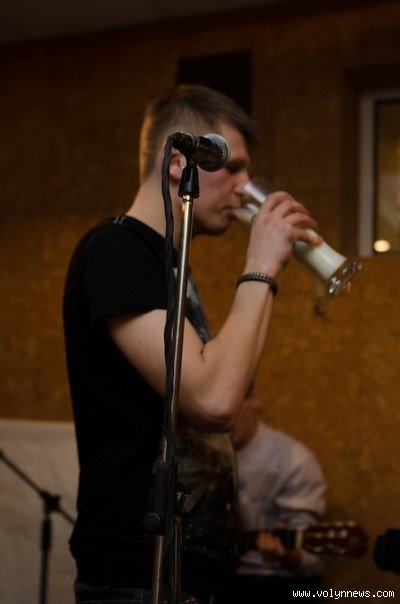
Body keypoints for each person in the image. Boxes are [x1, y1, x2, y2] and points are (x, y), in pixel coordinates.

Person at [63, 84, 321, 604]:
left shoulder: (171, 265)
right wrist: (260, 265)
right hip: (137, 577)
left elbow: (227, 385)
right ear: (179, 161)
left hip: (195, 575)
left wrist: (268, 274)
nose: (246, 190)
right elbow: (214, 401)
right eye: (233, 166)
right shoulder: (117, 249)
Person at [231, 386, 326, 603]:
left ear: (253, 398)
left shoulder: (293, 461)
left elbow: (310, 560)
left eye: (232, 404)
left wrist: (288, 556)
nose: (224, 415)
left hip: (269, 582)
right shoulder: (199, 454)